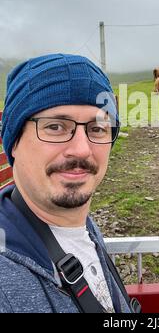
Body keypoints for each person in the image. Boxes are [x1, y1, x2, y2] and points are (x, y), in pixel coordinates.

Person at [0, 53, 139, 313]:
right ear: (15, 141)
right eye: (55, 127)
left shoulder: (78, 222)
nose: (81, 150)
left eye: (97, 129)